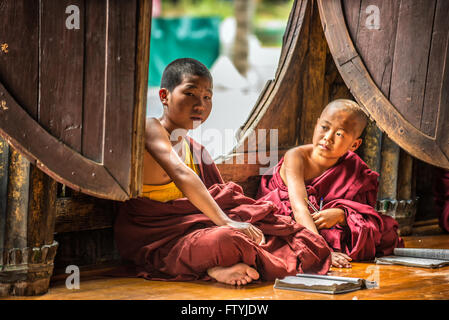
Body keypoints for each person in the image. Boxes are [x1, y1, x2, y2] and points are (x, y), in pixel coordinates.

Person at [114, 58, 331, 286]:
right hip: (158, 240)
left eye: (207, 97)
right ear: (164, 96)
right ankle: (215, 267)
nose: (200, 105)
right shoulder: (150, 128)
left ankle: (215, 268)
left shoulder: (194, 148)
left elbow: (221, 200)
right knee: (227, 239)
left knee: (285, 233)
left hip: (196, 230)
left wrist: (241, 219)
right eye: (190, 94)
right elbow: (181, 174)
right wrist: (227, 222)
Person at [257, 99, 403, 268]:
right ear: (317, 124)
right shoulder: (295, 157)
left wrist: (342, 216)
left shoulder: (354, 167)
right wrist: (323, 251)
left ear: (354, 144)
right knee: (282, 240)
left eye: (339, 134)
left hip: (325, 222)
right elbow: (299, 208)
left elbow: (362, 210)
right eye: (324, 127)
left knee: (386, 232)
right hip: (295, 217)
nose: (328, 138)